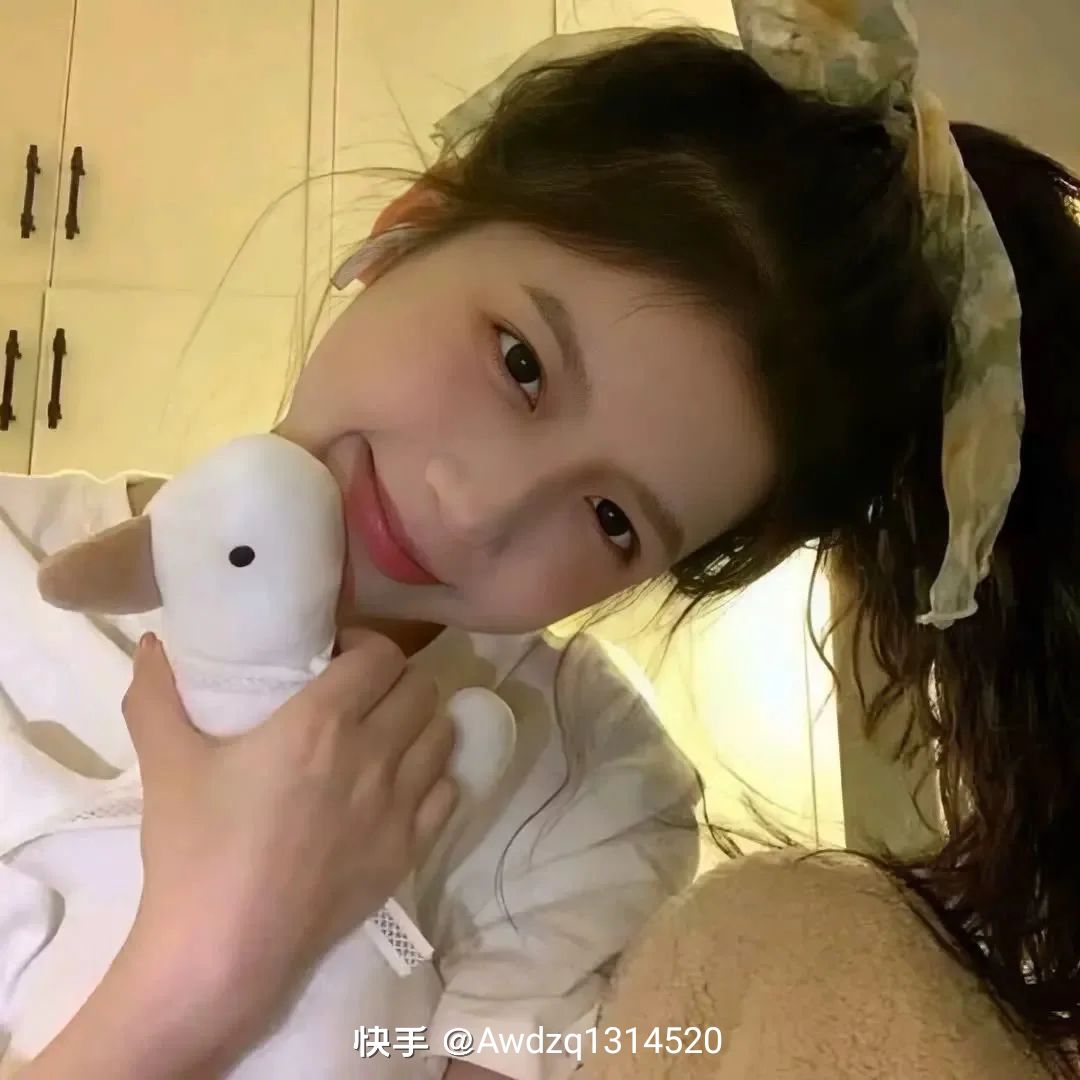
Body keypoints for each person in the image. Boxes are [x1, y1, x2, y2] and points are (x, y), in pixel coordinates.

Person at [4, 0, 1078, 1073]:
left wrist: (222, 960)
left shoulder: (592, 788)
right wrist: (203, 969)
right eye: (520, 361)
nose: (476, 511)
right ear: (409, 227)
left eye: (612, 519)